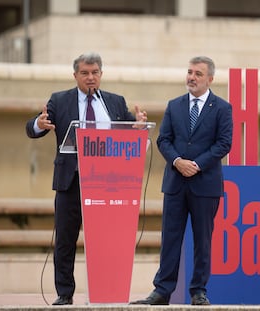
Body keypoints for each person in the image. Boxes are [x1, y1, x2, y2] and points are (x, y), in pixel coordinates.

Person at [25, 52, 147, 305]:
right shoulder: (60, 100)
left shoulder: (115, 102)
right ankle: (65, 293)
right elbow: (32, 129)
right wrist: (39, 122)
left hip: (107, 184)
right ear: (75, 75)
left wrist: (137, 130)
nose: (90, 78)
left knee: (108, 241)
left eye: (95, 73)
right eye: (85, 73)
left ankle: (108, 291)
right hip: (72, 181)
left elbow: (129, 139)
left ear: (101, 74)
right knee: (66, 240)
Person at [131, 56, 233, 306]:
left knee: (202, 240)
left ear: (210, 78)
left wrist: (196, 164)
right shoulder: (174, 105)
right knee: (170, 238)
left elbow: (224, 144)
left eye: (198, 73)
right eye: (189, 72)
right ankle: (162, 291)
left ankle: (198, 291)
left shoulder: (222, 108)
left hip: (205, 183)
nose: (192, 77)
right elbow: (163, 139)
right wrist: (178, 161)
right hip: (176, 182)